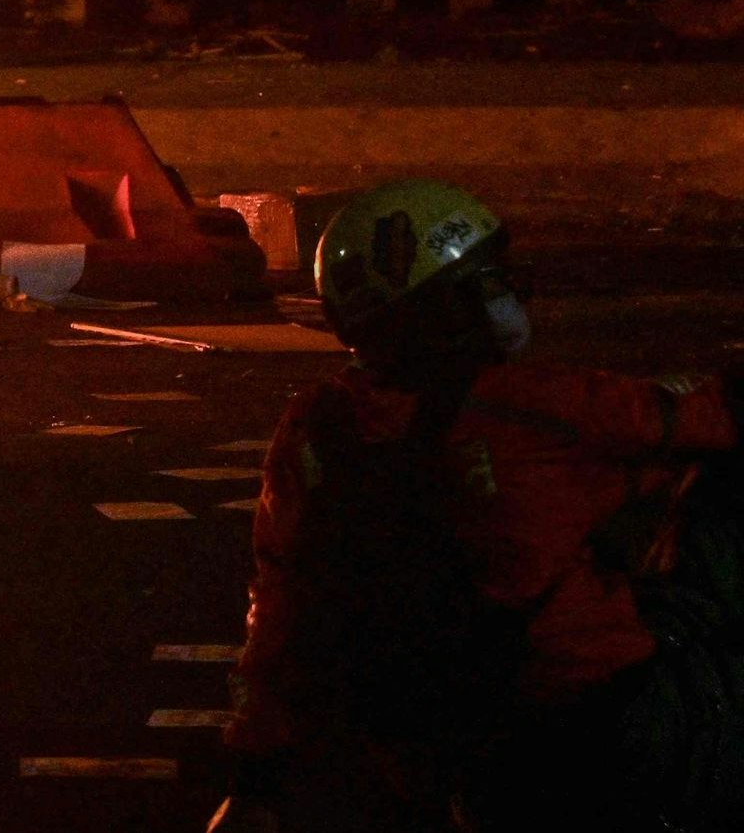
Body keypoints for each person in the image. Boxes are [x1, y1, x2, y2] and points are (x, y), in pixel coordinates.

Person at [210, 181, 742, 833]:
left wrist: (257, 776)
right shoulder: (535, 406)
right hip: (591, 715)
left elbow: (278, 607)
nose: (508, 297)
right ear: (445, 308)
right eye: (490, 283)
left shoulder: (316, 428)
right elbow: (710, 419)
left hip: (420, 744)